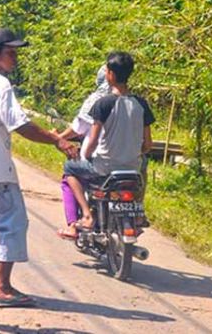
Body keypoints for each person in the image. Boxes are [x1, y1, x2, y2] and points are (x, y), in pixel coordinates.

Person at [0, 28, 79, 307]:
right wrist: (57, 140)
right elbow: (19, 125)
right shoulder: (0, 84)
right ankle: (2, 286)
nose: (15, 60)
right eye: (11, 53)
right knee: (13, 224)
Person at [59, 51, 155, 239]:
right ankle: (138, 213)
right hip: (132, 168)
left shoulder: (103, 103)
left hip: (104, 167)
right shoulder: (142, 104)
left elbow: (92, 141)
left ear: (109, 74)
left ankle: (87, 216)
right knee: (143, 164)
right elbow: (148, 144)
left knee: (69, 169)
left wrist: (85, 156)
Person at [54, 65, 110, 234]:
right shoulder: (132, 101)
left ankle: (80, 220)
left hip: (101, 161)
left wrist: (59, 138)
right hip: (129, 163)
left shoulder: (98, 100)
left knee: (69, 171)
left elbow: (80, 128)